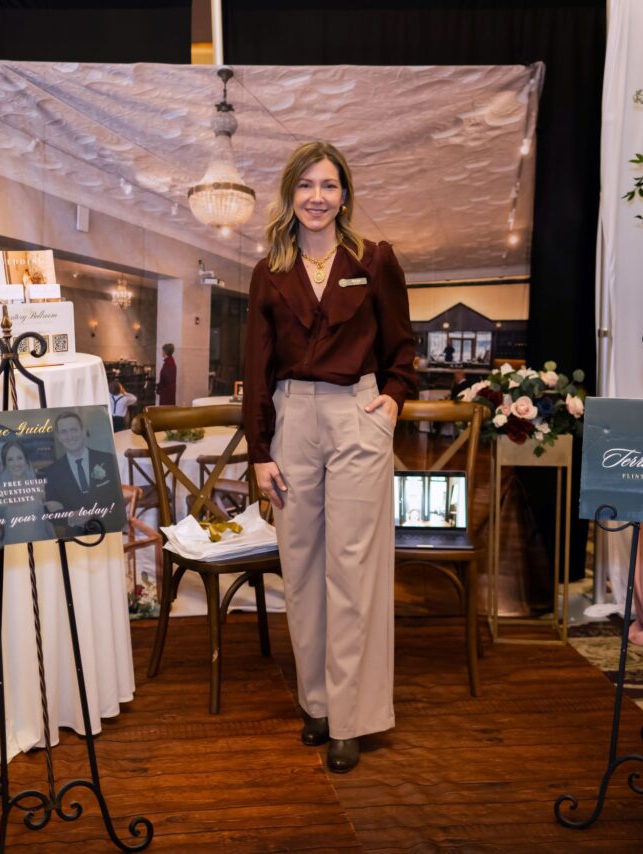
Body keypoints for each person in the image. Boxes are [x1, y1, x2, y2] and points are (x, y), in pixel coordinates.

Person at [243, 140, 416, 773]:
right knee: (303, 566)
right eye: (307, 186)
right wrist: (260, 451)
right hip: (292, 420)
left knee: (354, 568)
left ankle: (352, 717)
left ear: (345, 195)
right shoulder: (270, 269)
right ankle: (316, 704)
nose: (318, 197)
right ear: (290, 194)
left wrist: (393, 401)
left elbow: (402, 347)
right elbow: (256, 369)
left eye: (330, 186)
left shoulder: (375, 259)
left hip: (358, 415)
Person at [43, 411, 125, 534]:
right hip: (75, 536)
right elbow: (50, 512)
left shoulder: (108, 459)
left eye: (74, 429)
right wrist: (70, 517)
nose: (70, 436)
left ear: (82, 431)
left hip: (110, 530)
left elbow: (120, 500)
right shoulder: (52, 471)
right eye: (64, 432)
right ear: (58, 436)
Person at [0, 440, 56, 543]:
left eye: (19, 458)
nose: (16, 463)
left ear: (26, 460)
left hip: (41, 545)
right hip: (13, 549)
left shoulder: (40, 486)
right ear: (5, 463)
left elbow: (50, 520)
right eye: (10, 459)